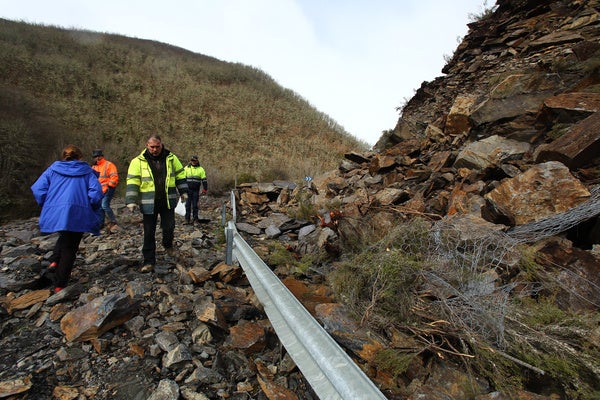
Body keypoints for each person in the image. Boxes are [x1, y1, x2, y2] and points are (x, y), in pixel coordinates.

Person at [31, 144, 103, 293]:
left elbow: (38, 188)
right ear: (80, 157)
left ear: (64, 156)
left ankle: (55, 261)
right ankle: (60, 284)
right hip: (79, 211)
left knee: (64, 234)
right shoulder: (87, 172)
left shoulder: (53, 169)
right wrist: (90, 205)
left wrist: (48, 203)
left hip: (56, 210)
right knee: (71, 247)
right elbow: (96, 193)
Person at [125, 134, 188, 271]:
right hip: (148, 202)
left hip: (167, 200)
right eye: (152, 147)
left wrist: (183, 191)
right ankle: (149, 261)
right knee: (149, 232)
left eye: (157, 147)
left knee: (169, 226)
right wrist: (131, 200)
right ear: (147, 145)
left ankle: (167, 244)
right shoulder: (138, 161)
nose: (154, 149)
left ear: (161, 145)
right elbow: (133, 181)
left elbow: (180, 175)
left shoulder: (171, 158)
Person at [91, 149, 119, 230]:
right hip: (99, 190)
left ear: (101, 156)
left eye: (98, 156)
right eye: (95, 157)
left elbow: (114, 177)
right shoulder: (94, 167)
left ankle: (113, 220)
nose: (97, 158)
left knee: (104, 205)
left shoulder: (109, 164)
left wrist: (109, 186)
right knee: (100, 207)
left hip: (108, 188)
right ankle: (101, 223)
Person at [183, 155, 208, 224]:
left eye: (194, 160)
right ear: (190, 161)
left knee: (195, 205)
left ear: (197, 161)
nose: (193, 162)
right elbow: (182, 179)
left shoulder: (201, 169)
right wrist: (182, 189)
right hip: (187, 190)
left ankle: (195, 219)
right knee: (187, 205)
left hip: (196, 190)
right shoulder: (186, 168)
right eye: (192, 160)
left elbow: (204, 180)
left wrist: (205, 189)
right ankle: (187, 219)